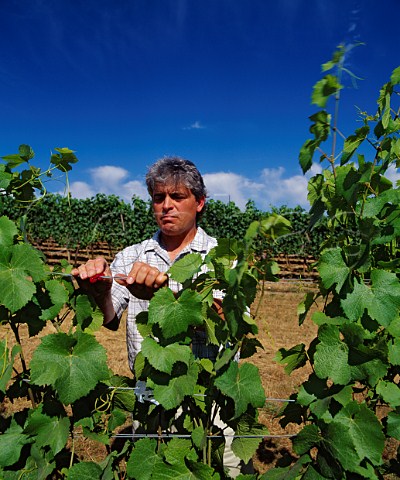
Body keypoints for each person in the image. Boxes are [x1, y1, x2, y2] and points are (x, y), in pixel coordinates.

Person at [71, 156, 222, 370]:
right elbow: (110, 321)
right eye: (159, 197)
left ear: (199, 202)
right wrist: (101, 292)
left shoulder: (221, 257)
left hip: (208, 393)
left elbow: (230, 323)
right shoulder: (130, 257)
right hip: (148, 392)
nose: (167, 205)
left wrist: (167, 297)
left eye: (177, 196)